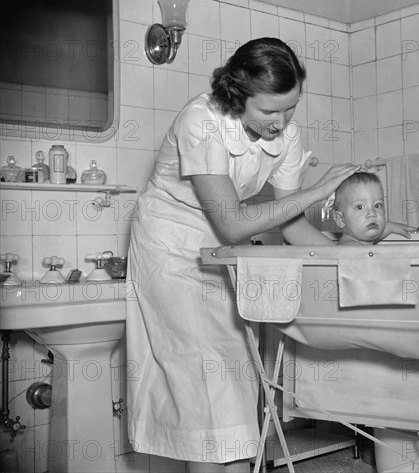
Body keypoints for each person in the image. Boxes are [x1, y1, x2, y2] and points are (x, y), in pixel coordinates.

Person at [126, 37, 361, 473]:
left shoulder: (286, 135)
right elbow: (233, 221)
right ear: (237, 93)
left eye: (290, 107)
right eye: (269, 111)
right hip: (171, 249)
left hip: (224, 254)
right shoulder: (203, 120)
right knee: (206, 375)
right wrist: (316, 190)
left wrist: (353, 248)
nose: (281, 121)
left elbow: (290, 223)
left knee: (233, 377)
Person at [332, 171, 410, 245]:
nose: (372, 213)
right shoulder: (350, 249)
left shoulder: (359, 242)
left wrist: (391, 227)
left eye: (377, 205)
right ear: (340, 220)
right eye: (359, 207)